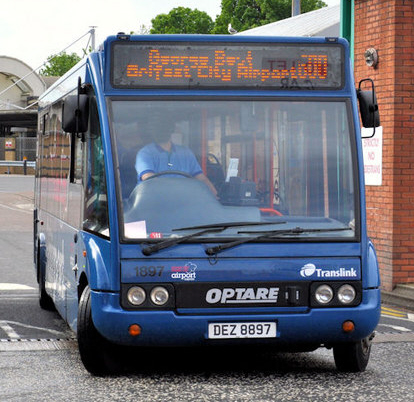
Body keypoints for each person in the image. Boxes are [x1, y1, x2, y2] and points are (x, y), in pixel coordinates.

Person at [135, 119, 217, 196]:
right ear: (153, 132)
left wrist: (214, 195)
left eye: (165, 127)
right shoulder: (145, 153)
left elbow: (202, 179)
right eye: (158, 128)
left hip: (186, 203)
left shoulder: (186, 153)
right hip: (155, 203)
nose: (161, 131)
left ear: (172, 129)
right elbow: (150, 180)